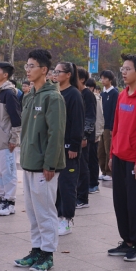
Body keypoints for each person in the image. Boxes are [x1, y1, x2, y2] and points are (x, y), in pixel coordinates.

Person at [14, 49, 65, 271]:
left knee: (45, 212)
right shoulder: (29, 95)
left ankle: (47, 254)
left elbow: (56, 133)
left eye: (32, 66)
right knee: (33, 211)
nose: (28, 69)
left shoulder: (53, 97)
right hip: (29, 162)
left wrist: (50, 164)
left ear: (44, 70)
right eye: (27, 65)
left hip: (45, 166)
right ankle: (36, 249)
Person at [105, 54, 136, 262]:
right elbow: (116, 126)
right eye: (122, 69)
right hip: (119, 156)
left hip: (135, 160)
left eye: (128, 69)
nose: (123, 73)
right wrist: (112, 153)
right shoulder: (122, 95)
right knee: (120, 201)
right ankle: (126, 241)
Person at [53, 62, 84, 236]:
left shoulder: (74, 94)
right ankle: (58, 216)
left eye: (59, 71)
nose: (55, 74)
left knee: (67, 185)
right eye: (55, 71)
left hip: (68, 149)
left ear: (68, 74)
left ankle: (67, 219)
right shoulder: (56, 92)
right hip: (56, 148)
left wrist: (74, 145)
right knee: (56, 186)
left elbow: (77, 122)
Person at [0, 62, 22, 216]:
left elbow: (16, 118)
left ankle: (10, 202)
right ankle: (2, 198)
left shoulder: (9, 93)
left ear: (5, 75)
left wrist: (14, 138)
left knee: (8, 173)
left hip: (6, 141)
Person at [77, 67, 98, 205]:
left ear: (82, 79)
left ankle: (83, 198)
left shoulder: (87, 94)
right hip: (77, 136)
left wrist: (85, 135)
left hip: (85, 137)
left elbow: (91, 117)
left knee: (83, 166)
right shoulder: (77, 93)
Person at [99, 70, 118, 181]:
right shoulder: (102, 94)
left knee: (108, 150)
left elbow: (115, 111)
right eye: (101, 78)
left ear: (110, 80)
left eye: (105, 78)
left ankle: (109, 172)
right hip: (101, 126)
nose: (103, 80)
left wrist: (112, 127)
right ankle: (103, 171)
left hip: (108, 127)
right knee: (100, 150)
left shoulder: (114, 93)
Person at [86, 77, 102, 193]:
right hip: (86, 135)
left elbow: (99, 117)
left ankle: (94, 184)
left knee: (93, 160)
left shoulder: (96, 98)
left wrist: (97, 134)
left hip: (94, 134)